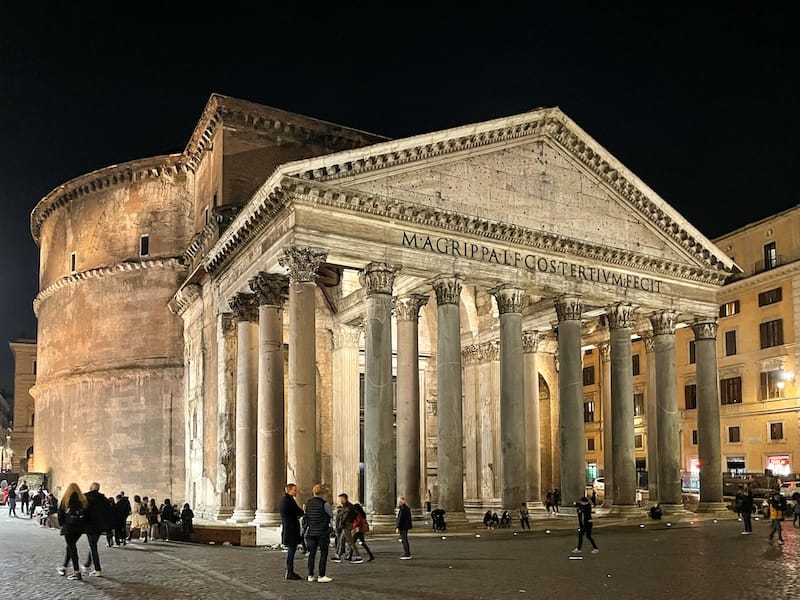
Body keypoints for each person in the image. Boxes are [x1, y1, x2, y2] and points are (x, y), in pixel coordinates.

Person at [57, 482, 88, 580]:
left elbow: (60, 513)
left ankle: (76, 571)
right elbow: (87, 514)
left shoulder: (65, 500)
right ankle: (64, 566)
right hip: (79, 528)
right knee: (70, 547)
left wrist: (62, 524)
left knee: (72, 548)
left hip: (69, 527)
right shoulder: (83, 500)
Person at [305, 483, 334, 582]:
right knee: (323, 554)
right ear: (323, 494)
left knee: (311, 554)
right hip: (322, 532)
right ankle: (321, 575)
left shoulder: (308, 503)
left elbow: (307, 515)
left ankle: (310, 575)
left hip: (311, 532)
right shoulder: (325, 504)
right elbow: (330, 515)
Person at [82, 482, 111, 577]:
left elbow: (83, 510)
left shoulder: (86, 497)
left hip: (90, 525)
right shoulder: (103, 498)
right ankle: (87, 563)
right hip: (100, 526)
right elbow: (108, 511)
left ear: (90, 488)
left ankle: (97, 569)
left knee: (93, 546)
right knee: (93, 544)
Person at [278, 483, 304, 580]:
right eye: (294, 490)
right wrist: (303, 512)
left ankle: (290, 570)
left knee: (291, 551)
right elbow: (298, 511)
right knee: (291, 551)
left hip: (288, 528)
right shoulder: (289, 501)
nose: (296, 492)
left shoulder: (283, 500)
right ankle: (290, 571)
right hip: (291, 529)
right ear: (289, 490)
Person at [336, 493, 363, 562]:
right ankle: (338, 555)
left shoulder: (348, 507)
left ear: (345, 499)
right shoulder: (346, 506)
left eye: (341, 499)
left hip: (347, 525)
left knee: (350, 542)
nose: (340, 500)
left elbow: (345, 517)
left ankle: (358, 556)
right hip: (345, 525)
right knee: (341, 540)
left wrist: (341, 523)